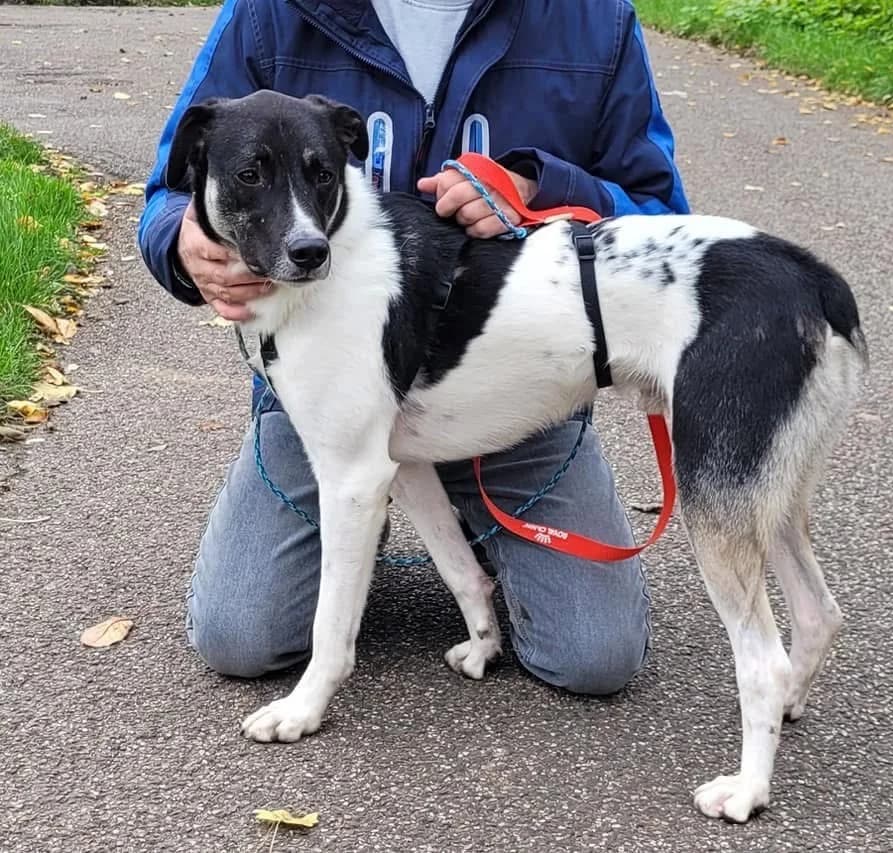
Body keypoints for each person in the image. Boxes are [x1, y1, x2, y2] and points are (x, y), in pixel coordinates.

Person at [138, 0, 689, 696]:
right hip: (324, 397)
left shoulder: (595, 20)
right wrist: (181, 242)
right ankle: (385, 521)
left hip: (521, 394)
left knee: (595, 657)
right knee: (240, 637)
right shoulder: (269, 13)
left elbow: (663, 220)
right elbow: (167, 189)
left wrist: (541, 187)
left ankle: (455, 528)